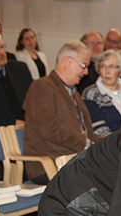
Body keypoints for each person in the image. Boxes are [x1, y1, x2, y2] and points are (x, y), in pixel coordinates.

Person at [23, 41, 102, 183]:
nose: (85, 72)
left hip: (72, 160)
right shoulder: (41, 87)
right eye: (84, 66)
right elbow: (49, 130)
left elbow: (87, 132)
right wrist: (86, 144)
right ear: (67, 61)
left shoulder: (73, 93)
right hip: (49, 164)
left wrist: (108, 143)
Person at [82, 50, 121, 137]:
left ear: (120, 72)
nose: (107, 71)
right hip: (110, 142)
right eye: (102, 66)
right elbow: (98, 130)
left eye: (111, 66)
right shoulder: (91, 93)